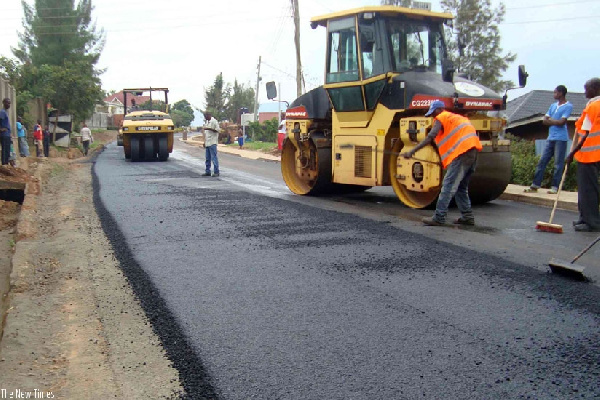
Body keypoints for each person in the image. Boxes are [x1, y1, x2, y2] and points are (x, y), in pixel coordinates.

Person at [401, 100, 482, 226]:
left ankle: (439, 217)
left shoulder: (442, 117)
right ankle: (467, 217)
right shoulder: (457, 118)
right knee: (461, 187)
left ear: (438, 110)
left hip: (461, 153)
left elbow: (430, 137)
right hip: (472, 153)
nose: (433, 117)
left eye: (433, 113)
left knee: (448, 185)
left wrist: (411, 152)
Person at [566, 78, 600, 232]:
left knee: (587, 189)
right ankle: (584, 218)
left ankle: (590, 222)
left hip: (590, 154)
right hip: (594, 153)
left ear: (595, 88)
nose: (585, 92)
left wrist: (572, 152)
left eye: (587, 88)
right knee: (590, 188)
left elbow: (585, 133)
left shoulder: (594, 106)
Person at [524, 85, 573, 194]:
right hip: (550, 137)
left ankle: (555, 187)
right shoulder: (552, 106)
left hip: (561, 138)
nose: (554, 95)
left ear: (560, 93)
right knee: (542, 161)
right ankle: (535, 185)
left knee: (558, 163)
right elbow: (544, 121)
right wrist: (555, 121)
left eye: (555, 93)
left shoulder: (568, 106)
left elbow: (562, 122)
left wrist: (551, 120)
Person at [202, 111, 220, 177]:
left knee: (214, 158)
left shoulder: (214, 121)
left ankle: (216, 172)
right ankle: (207, 171)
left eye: (205, 116)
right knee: (207, 158)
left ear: (208, 115)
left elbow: (218, 130)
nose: (205, 118)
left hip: (212, 142)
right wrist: (204, 142)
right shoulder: (207, 122)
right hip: (207, 142)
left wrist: (209, 128)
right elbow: (206, 134)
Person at [0, 98, 12, 165]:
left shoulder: (5, 112)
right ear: (4, 103)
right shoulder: (2, 112)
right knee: (4, 150)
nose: (9, 104)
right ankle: (4, 164)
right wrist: (1, 129)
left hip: (7, 134)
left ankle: (6, 164)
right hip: (4, 135)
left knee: (7, 150)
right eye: (7, 103)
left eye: (9, 103)